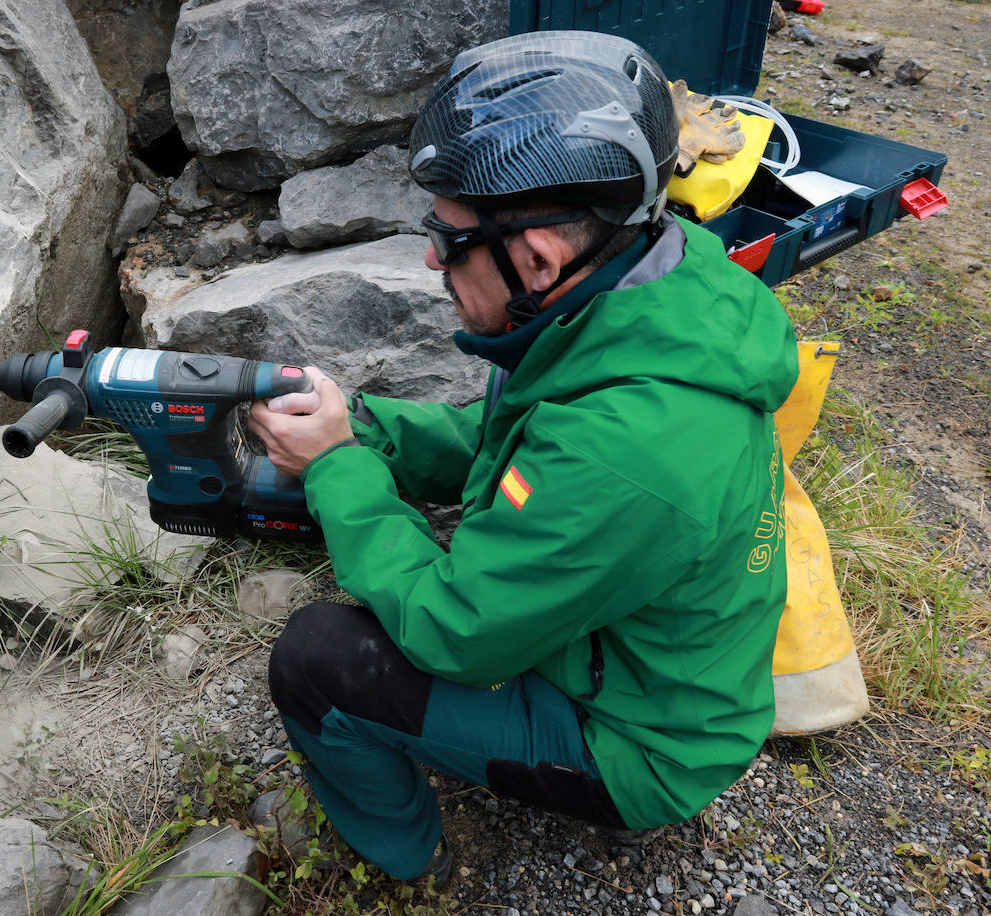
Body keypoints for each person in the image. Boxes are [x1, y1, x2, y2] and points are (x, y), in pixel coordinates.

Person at [247, 30, 800, 884]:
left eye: (449, 235)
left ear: (538, 255)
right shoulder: (650, 287)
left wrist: (335, 471)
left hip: (643, 745)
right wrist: (365, 431)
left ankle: (400, 862)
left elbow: (455, 633)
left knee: (318, 658)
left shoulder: (626, 450)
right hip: (650, 664)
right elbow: (515, 447)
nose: (432, 255)